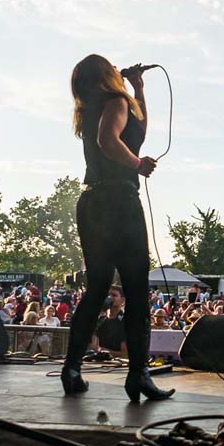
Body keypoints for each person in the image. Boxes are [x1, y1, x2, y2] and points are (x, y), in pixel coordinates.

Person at [62, 54, 172, 402]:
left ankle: (71, 369)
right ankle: (138, 374)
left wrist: (139, 88)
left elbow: (137, 132)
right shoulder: (115, 101)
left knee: (96, 288)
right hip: (119, 202)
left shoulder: (90, 108)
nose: (117, 69)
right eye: (111, 66)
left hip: (91, 203)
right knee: (136, 290)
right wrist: (137, 164)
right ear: (105, 75)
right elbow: (109, 141)